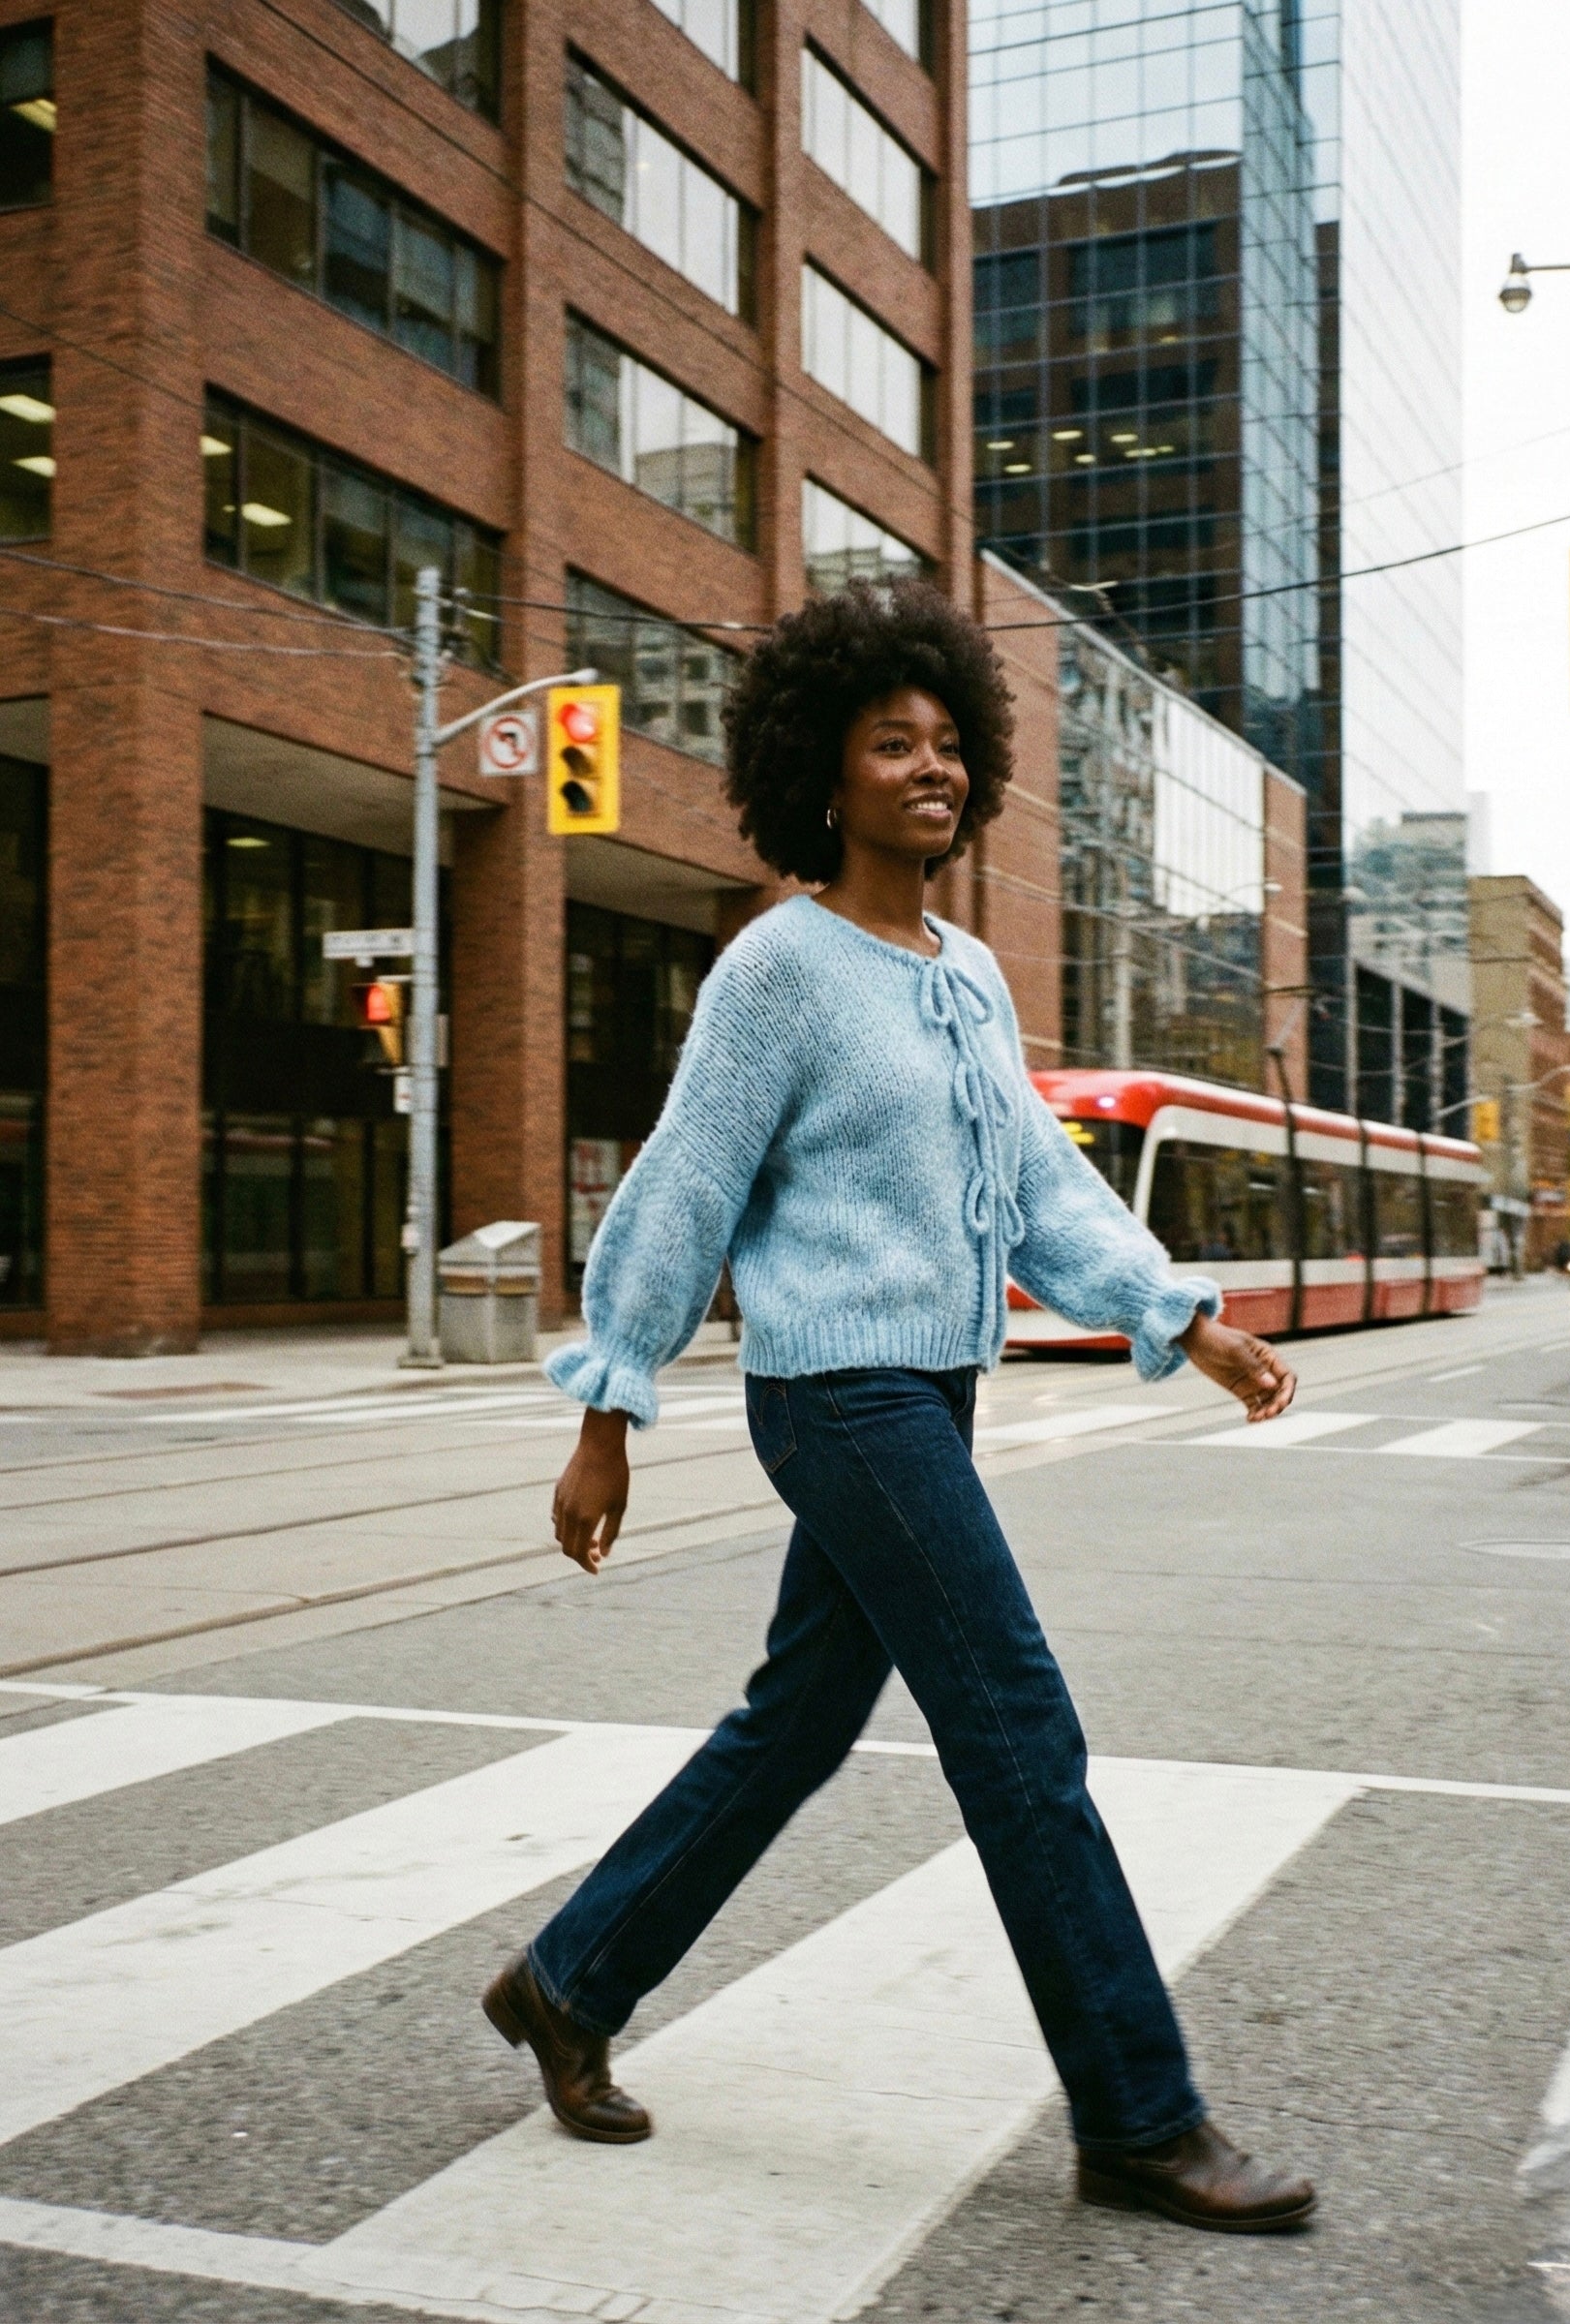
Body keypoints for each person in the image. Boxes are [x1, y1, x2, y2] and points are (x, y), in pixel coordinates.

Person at [483, 582, 1312, 2233]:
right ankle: (1139, 2116)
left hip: (931, 1388)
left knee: (795, 1723)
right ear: (825, 771)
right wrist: (607, 1403)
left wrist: (1182, 1318)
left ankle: (568, 1982)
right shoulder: (778, 971)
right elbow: (684, 1186)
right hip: (834, 1393)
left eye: (945, 744)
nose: (928, 769)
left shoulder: (973, 976)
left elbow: (1036, 1180)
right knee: (1017, 1726)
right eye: (889, 744)